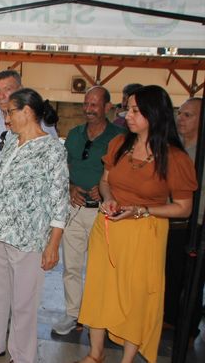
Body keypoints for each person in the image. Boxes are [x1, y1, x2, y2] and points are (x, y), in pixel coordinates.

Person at [77, 85, 197, 363]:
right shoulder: (119, 144)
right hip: (108, 227)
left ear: (154, 115)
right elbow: (105, 181)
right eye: (126, 109)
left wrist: (142, 210)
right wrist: (108, 199)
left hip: (146, 232)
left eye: (134, 110)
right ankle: (95, 353)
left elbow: (184, 207)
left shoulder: (175, 158)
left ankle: (127, 358)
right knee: (99, 289)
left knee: (137, 296)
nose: (127, 115)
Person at [0, 88, 69, 362]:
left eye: (10, 112)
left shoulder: (52, 149)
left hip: (29, 237)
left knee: (24, 302)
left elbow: (60, 199)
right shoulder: (13, 142)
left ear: (27, 111)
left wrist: (53, 244)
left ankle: (22, 355)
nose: (6, 119)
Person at [52, 86, 125, 335]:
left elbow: (125, 173)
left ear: (107, 107)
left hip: (102, 212)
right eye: (86, 104)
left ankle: (97, 316)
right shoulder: (74, 133)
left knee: (99, 268)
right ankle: (73, 314)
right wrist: (70, 186)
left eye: (94, 105)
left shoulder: (120, 137)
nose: (89, 109)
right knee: (71, 266)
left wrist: (107, 188)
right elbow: (63, 166)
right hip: (75, 208)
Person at [164, 97, 203, 338]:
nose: (181, 119)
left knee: (192, 280)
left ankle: (188, 330)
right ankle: (168, 318)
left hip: (196, 225)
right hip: (169, 221)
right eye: (180, 113)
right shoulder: (172, 147)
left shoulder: (200, 152)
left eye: (188, 115)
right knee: (169, 274)